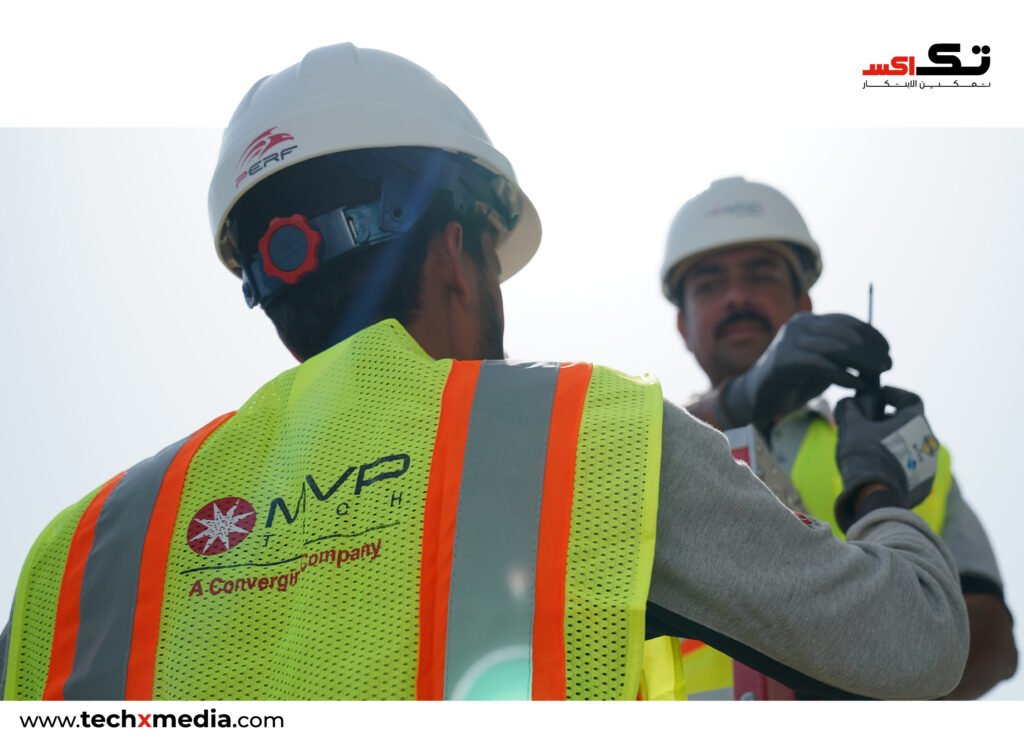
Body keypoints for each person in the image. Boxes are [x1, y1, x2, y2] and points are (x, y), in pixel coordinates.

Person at [0, 45, 968, 701]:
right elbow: (913, 647)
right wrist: (878, 488)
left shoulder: (76, 553)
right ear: (457, 255)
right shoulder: (584, 438)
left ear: (273, 286)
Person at [659, 176, 1017, 699]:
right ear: (683, 326)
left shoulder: (904, 451)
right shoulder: (642, 452)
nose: (737, 296)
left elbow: (992, 640)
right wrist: (732, 404)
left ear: (804, 304)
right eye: (710, 285)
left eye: (760, 275)